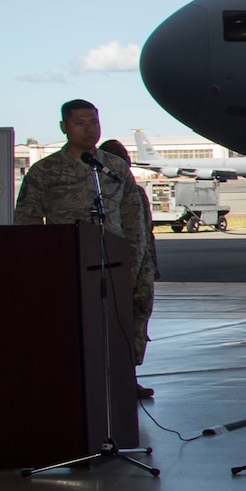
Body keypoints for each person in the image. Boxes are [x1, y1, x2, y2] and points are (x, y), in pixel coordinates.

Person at [14, 100, 147, 377]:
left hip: (111, 268)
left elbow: (134, 221)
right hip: (66, 269)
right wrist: (41, 268)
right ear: (64, 127)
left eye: (94, 122)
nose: (89, 129)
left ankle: (119, 384)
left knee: (115, 335)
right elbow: (27, 223)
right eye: (80, 123)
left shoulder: (115, 168)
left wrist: (131, 267)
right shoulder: (45, 171)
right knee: (70, 338)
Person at [99, 138, 159, 399]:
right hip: (115, 267)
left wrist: (151, 266)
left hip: (141, 268)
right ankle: (111, 378)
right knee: (113, 323)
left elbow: (145, 231)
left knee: (137, 321)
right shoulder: (102, 193)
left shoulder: (136, 192)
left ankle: (129, 376)